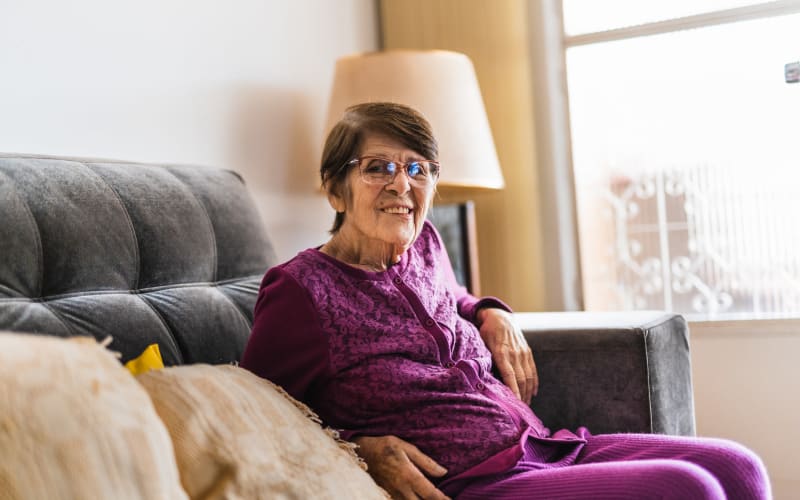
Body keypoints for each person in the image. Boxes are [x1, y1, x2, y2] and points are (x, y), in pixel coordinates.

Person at [241, 102, 770, 499]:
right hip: (475, 481)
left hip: (545, 445)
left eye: (418, 168)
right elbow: (256, 417)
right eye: (378, 166)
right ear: (335, 190)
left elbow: (449, 302)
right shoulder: (300, 291)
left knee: (739, 467)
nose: (402, 183)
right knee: (685, 488)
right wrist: (356, 451)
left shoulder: (424, 245)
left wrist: (490, 312)